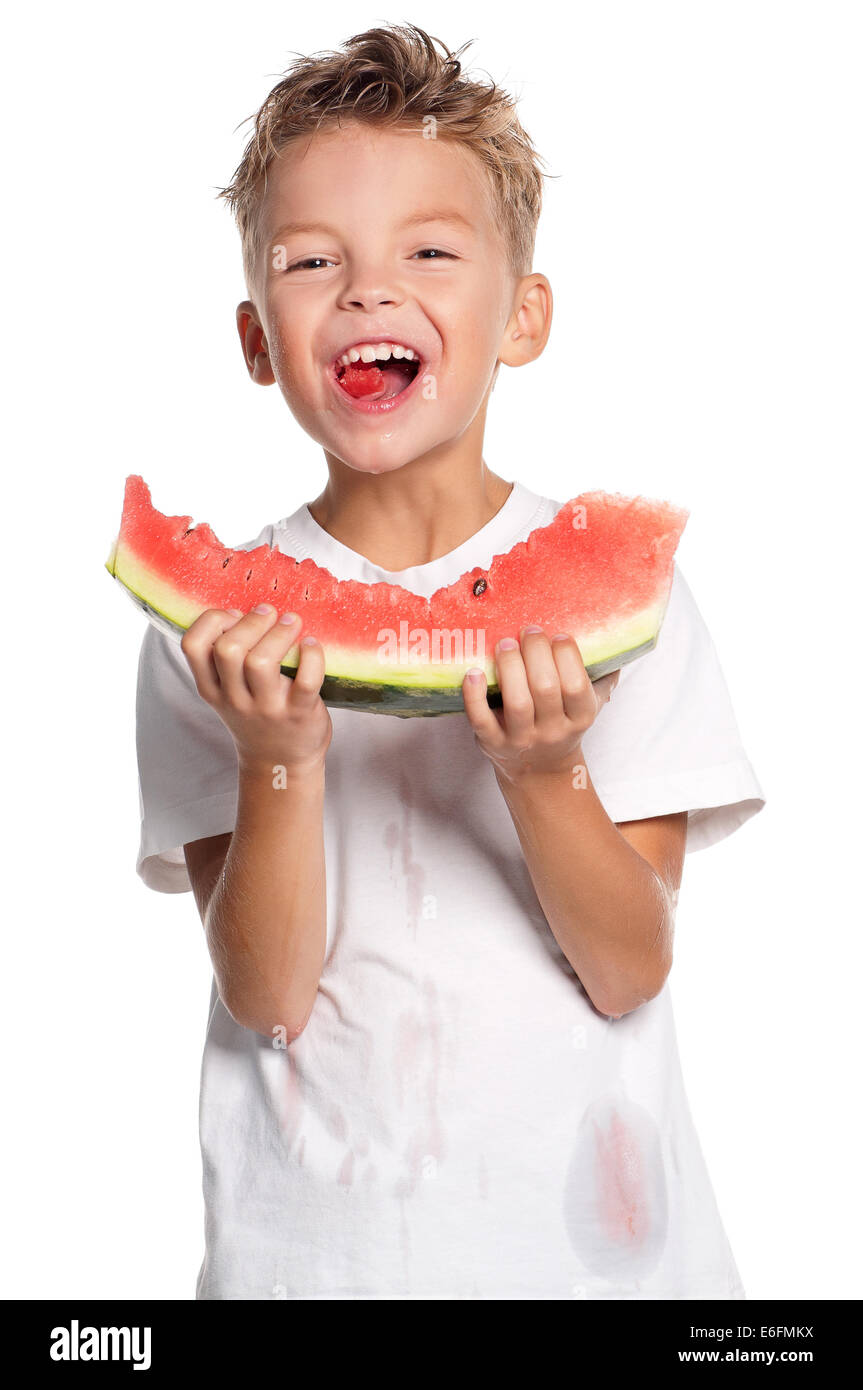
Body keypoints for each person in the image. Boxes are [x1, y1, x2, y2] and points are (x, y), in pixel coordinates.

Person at [133, 22, 765, 1300]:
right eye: (314, 261)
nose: (368, 290)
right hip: (312, 1265)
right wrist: (277, 759)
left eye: (427, 250)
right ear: (258, 340)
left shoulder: (628, 611)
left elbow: (629, 965)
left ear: (521, 316)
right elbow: (265, 996)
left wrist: (545, 772)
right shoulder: (210, 644)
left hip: (601, 1270)